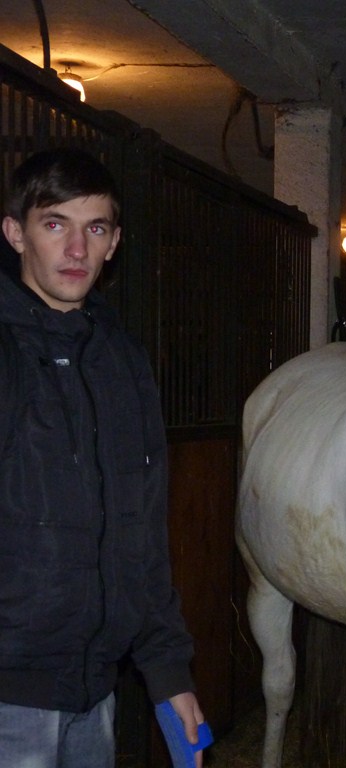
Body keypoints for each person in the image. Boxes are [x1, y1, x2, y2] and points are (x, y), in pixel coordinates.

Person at [0, 148, 206, 767]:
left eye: (95, 228)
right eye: (54, 223)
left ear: (114, 243)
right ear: (15, 233)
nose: (76, 250)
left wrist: (169, 672)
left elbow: (140, 532)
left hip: (97, 690)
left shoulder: (123, 362)